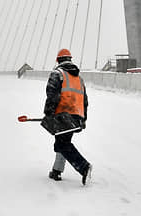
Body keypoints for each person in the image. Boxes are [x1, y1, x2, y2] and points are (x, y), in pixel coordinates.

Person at [42, 48, 92, 185]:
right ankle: (56, 171)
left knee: (62, 143)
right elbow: (85, 101)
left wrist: (48, 113)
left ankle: (83, 167)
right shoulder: (79, 79)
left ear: (58, 60)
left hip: (62, 115)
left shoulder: (57, 74)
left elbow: (52, 96)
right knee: (62, 141)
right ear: (70, 60)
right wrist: (84, 119)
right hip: (76, 116)